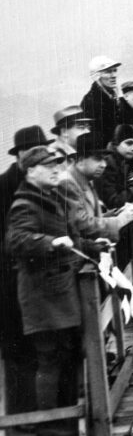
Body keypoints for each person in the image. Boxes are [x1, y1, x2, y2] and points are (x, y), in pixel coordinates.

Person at [5, 145, 110, 412]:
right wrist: (50, 242)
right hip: (43, 296)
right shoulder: (24, 204)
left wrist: (91, 246)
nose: (56, 170)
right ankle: (51, 420)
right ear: (30, 171)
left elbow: (70, 238)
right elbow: (17, 241)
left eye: (57, 165)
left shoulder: (49, 196)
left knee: (67, 352)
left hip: (59, 292)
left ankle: (72, 409)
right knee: (50, 356)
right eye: (48, 166)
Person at [2, 126, 54, 412]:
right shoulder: (4, 187)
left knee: (40, 346)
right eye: (30, 152)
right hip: (10, 284)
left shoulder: (40, 185)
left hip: (35, 279)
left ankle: (41, 411)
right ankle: (23, 416)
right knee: (17, 350)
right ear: (20, 155)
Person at [81, 56, 122, 138]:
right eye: (108, 72)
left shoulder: (113, 95)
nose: (114, 75)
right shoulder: (92, 100)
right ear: (96, 76)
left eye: (115, 70)